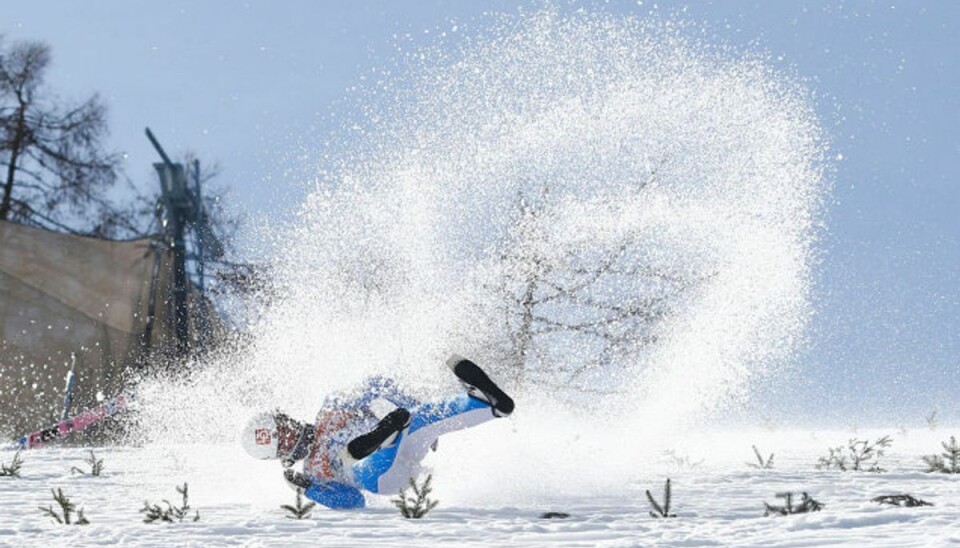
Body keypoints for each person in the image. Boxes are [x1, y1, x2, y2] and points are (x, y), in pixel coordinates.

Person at [240, 354, 514, 509]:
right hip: (384, 477)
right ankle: (380, 439)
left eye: (284, 428)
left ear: (287, 419)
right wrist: (312, 491)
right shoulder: (313, 472)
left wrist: (409, 404)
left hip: (403, 445)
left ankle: (489, 405)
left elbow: (376, 384)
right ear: (280, 456)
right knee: (356, 463)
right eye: (283, 442)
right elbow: (354, 501)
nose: (290, 436)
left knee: (419, 418)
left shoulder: (331, 408)